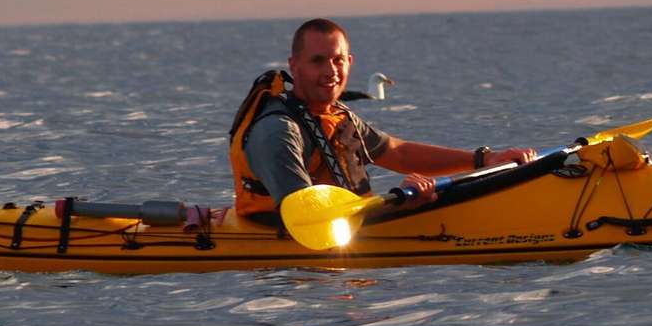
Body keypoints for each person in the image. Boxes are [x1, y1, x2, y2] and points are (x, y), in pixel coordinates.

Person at [228, 18, 535, 226]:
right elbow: (307, 219)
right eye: (317, 61)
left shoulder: (335, 116)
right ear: (294, 65)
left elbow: (397, 152)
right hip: (297, 258)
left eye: (337, 60)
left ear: (350, 62)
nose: (331, 71)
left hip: (352, 235)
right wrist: (401, 205)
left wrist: (484, 159)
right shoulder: (279, 131)